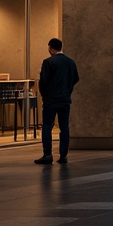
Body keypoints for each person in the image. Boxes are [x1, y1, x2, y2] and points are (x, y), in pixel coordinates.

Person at [35, 37, 80, 165]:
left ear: (50, 48)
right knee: (64, 127)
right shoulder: (70, 62)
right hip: (65, 100)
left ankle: (47, 154)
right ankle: (63, 155)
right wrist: (67, 90)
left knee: (47, 126)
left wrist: (45, 95)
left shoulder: (48, 62)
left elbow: (43, 81)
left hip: (51, 100)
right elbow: (76, 78)